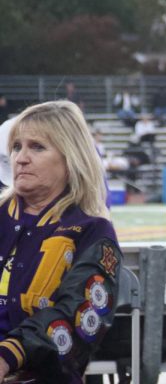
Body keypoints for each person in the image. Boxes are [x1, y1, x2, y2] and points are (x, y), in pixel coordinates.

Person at [0, 100, 122, 383]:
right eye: (17, 146)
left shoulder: (92, 231)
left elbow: (78, 319)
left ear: (71, 158)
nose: (20, 158)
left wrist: (8, 355)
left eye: (37, 147)